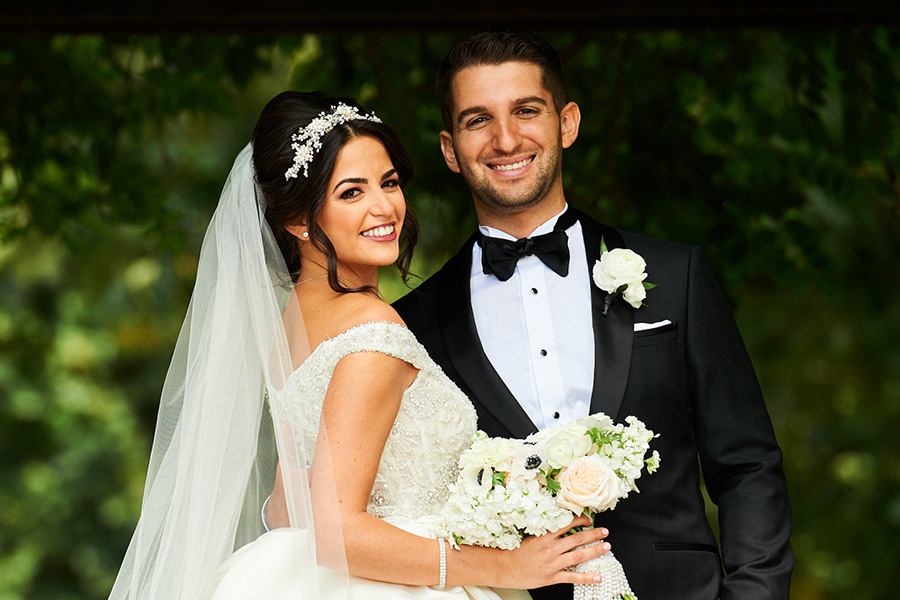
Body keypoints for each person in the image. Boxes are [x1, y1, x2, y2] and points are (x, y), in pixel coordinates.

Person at [108, 91, 613, 600]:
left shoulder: (292, 320)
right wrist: (506, 569)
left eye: (388, 182)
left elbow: (287, 505)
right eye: (352, 193)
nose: (384, 206)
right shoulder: (372, 330)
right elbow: (337, 534)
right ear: (299, 220)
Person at [394, 30, 794, 600]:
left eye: (526, 111)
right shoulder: (413, 324)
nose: (506, 139)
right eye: (477, 120)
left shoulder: (676, 275)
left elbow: (748, 464)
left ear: (568, 123)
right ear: (450, 149)